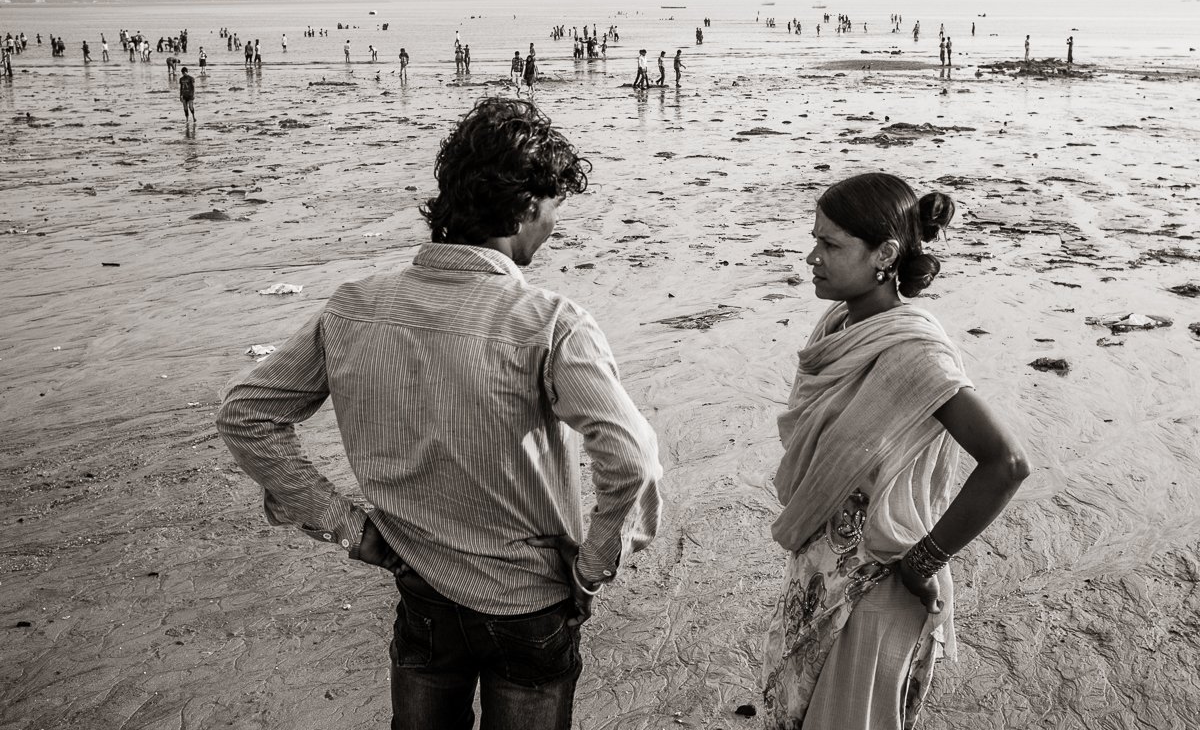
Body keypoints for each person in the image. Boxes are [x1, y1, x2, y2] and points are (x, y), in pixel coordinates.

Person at [216, 96, 662, 729]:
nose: (555, 223)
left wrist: (346, 526)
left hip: (419, 584)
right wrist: (592, 565)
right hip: (529, 604)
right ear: (529, 207)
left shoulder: (353, 307)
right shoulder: (550, 323)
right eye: (555, 207)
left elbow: (246, 415)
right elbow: (632, 460)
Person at [760, 172, 1030, 729]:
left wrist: (924, 560)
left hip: (874, 589)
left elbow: (1006, 463)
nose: (812, 256)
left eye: (831, 245)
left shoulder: (914, 355)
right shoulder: (837, 324)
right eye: (815, 239)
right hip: (818, 571)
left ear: (885, 253)